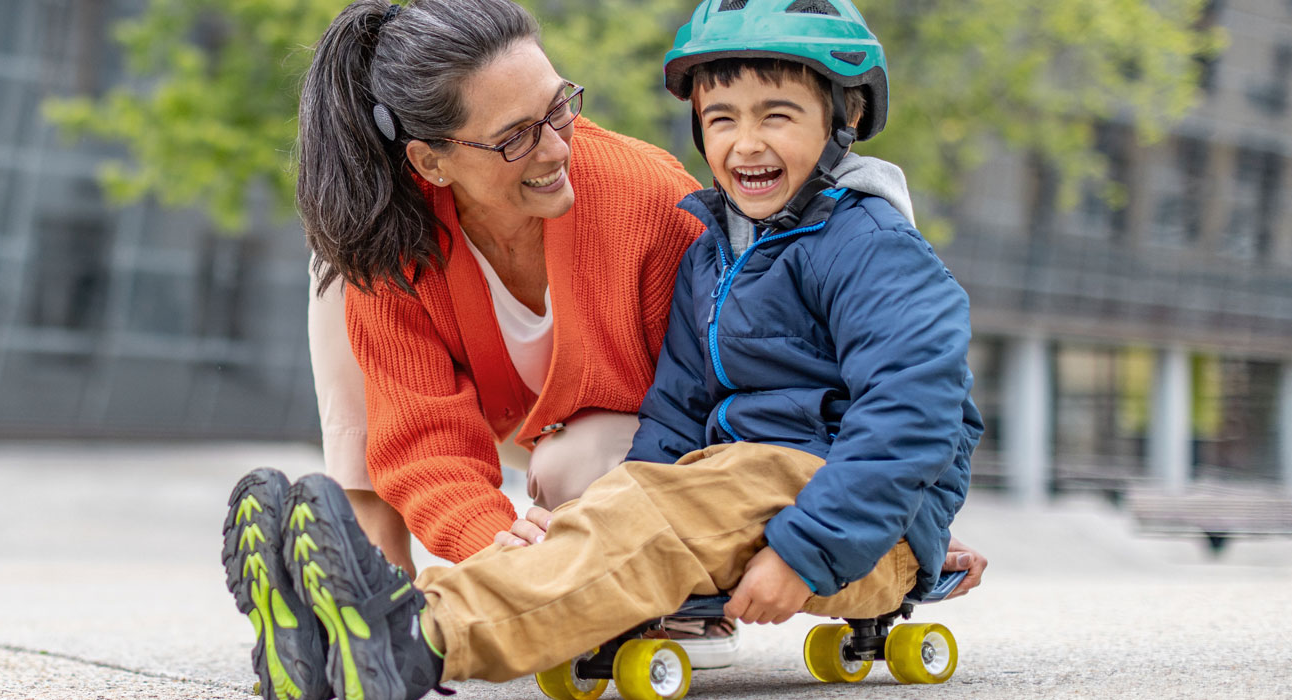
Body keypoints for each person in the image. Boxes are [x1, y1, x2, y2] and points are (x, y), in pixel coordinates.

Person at [224, 1, 988, 698]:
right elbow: (678, 408)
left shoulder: (874, 247)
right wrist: (633, 488)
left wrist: (826, 542)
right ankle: (335, 638)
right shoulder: (719, 254)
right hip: (742, 489)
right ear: (432, 160)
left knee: (652, 512)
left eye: (778, 115)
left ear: (844, 117)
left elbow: (916, 411)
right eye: (720, 119)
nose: (745, 143)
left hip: (845, 528)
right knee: (634, 503)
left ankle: (421, 635)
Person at [288, 0, 736, 680]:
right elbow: (423, 437)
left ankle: (690, 606)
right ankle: (375, 578)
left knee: (573, 465)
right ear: (430, 162)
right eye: (516, 136)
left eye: (560, 108)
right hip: (508, 419)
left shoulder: (645, 199)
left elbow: (728, 385)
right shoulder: (400, 241)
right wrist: (489, 535)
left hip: (641, 437)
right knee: (340, 262)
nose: (558, 147)